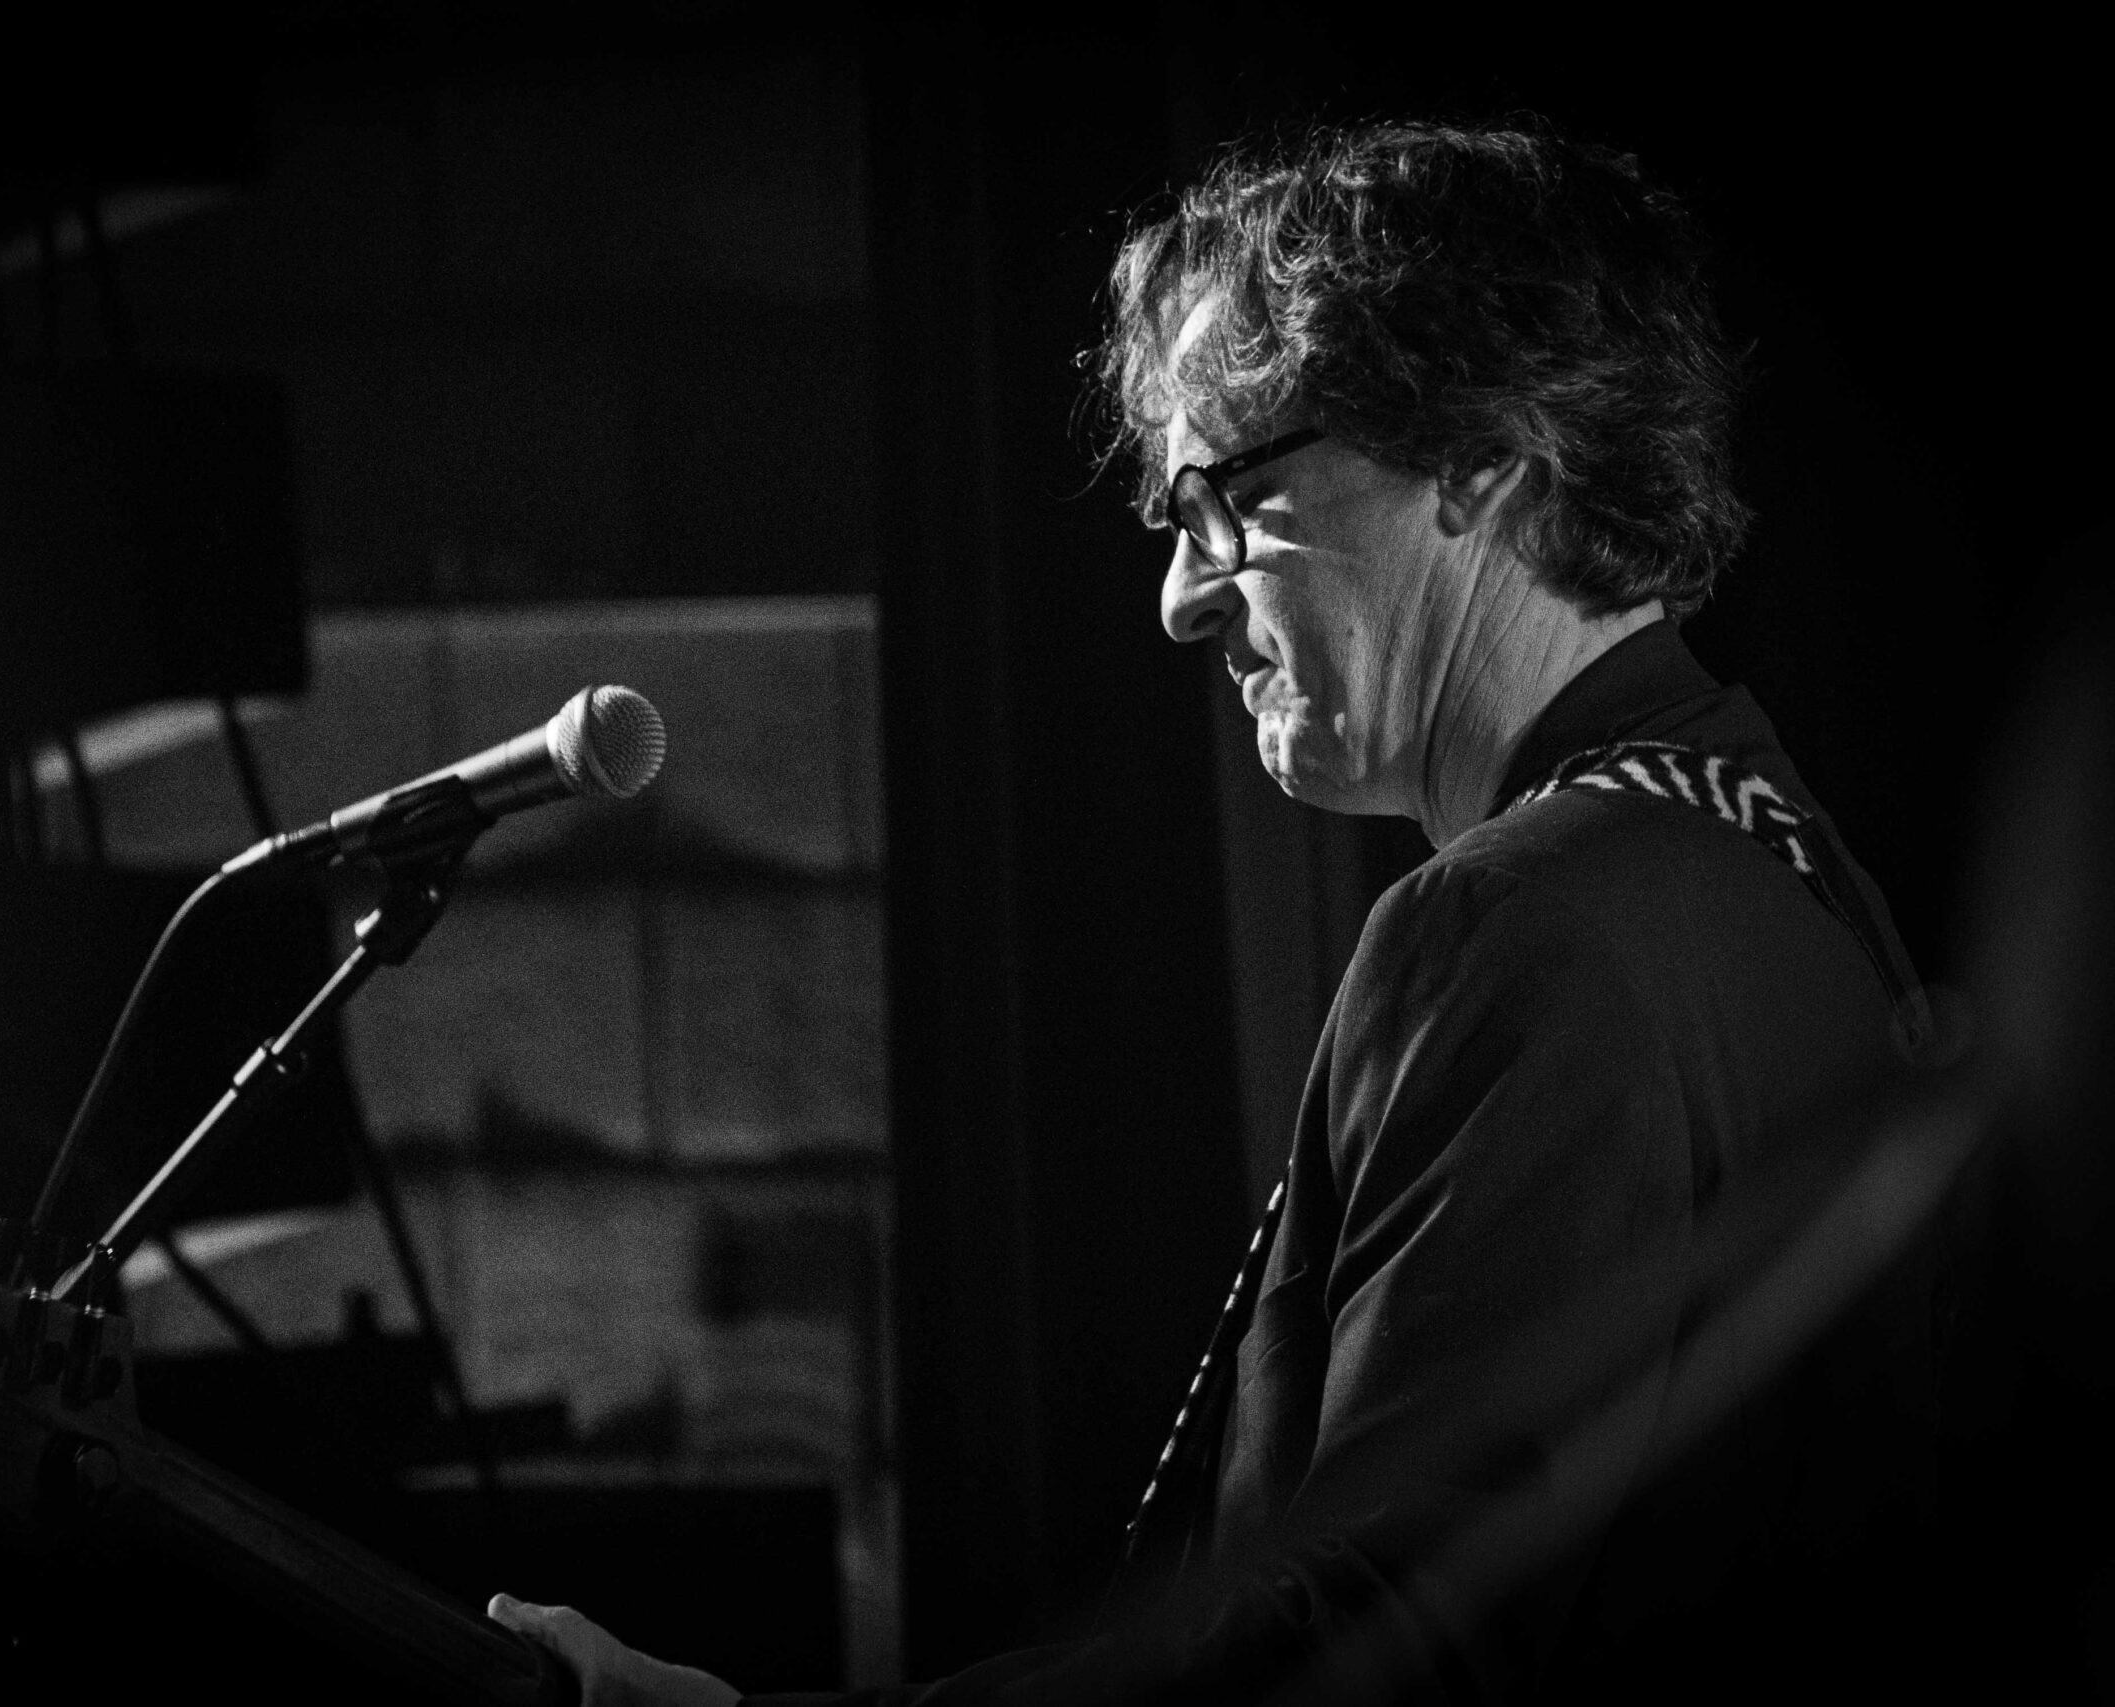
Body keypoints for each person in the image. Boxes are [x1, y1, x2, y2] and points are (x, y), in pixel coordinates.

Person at [489, 120, 1939, 1704]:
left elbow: (1356, 1659)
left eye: (1227, 495)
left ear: (1477, 461)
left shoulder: (1514, 927)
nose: (1184, 598)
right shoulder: (1794, 867)